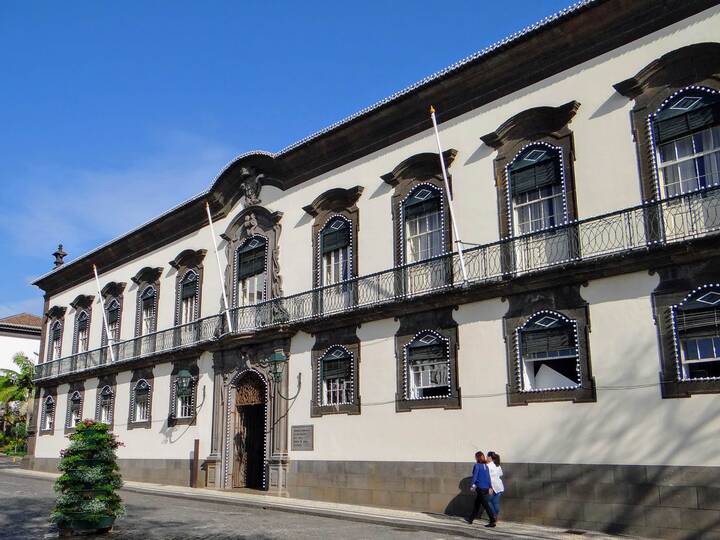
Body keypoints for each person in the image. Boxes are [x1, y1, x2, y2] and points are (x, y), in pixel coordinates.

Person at [465, 451, 497, 527]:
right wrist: (490, 487)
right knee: (477, 503)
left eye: (475, 457)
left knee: (485, 505)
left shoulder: (477, 465)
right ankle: (471, 519)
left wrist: (472, 485)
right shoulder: (486, 466)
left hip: (480, 488)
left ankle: (492, 521)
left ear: (477, 457)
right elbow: (488, 477)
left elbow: (475, 476)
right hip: (486, 488)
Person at [486, 451, 504, 521]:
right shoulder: (497, 465)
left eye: (487, 456)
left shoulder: (488, 466)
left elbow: (487, 477)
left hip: (492, 486)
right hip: (499, 486)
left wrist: (489, 487)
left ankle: (493, 515)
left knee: (487, 501)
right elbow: (501, 474)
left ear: (490, 457)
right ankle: (496, 515)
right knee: (496, 502)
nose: (486, 457)